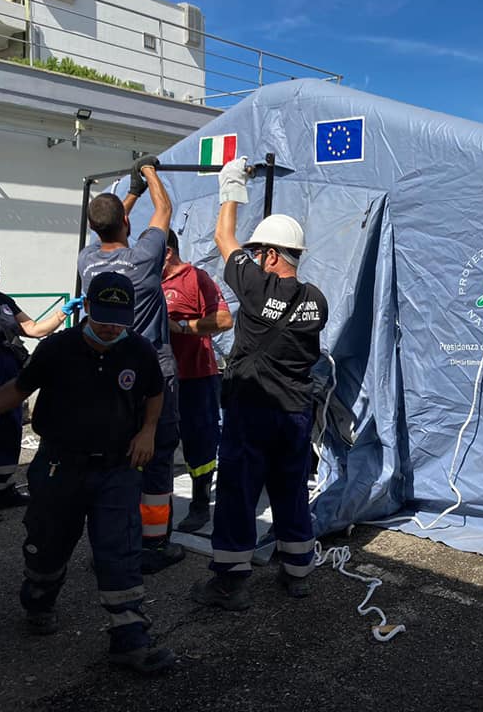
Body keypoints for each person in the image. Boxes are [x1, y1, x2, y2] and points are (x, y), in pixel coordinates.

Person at [0, 272, 175, 673]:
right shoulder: (57, 349)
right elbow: (19, 387)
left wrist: (148, 430)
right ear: (87, 310)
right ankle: (39, 599)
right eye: (103, 318)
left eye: (119, 319)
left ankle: (129, 639)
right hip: (61, 464)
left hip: (117, 467)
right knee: (48, 543)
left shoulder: (139, 351)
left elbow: (154, 392)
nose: (111, 326)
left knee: (120, 550)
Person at [191, 157, 328, 610]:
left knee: (238, 491)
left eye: (260, 252)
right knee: (289, 489)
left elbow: (223, 238)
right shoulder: (317, 301)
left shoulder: (254, 287)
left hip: (252, 409)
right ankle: (298, 572)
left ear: (270, 255)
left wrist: (231, 184)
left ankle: (230, 582)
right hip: (295, 412)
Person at [77, 156, 185, 574]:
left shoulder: (87, 262)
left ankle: (111, 540)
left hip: (107, 371)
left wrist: (133, 190)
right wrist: (152, 173)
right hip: (152, 367)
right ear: (125, 224)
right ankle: (153, 548)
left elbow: (111, 221)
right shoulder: (143, 261)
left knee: (116, 457)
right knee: (156, 458)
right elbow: (165, 211)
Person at [0, 249, 82, 523]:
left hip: (9, 370)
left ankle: (3, 490)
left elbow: (33, 329)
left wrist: (62, 314)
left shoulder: (3, 301)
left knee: (9, 429)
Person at [161, 229, 233, 532]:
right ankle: (157, 507)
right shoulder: (149, 281)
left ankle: (200, 504)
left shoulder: (195, 278)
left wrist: (181, 326)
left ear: (167, 252)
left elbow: (223, 320)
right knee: (158, 442)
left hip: (195, 377)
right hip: (159, 379)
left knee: (199, 440)